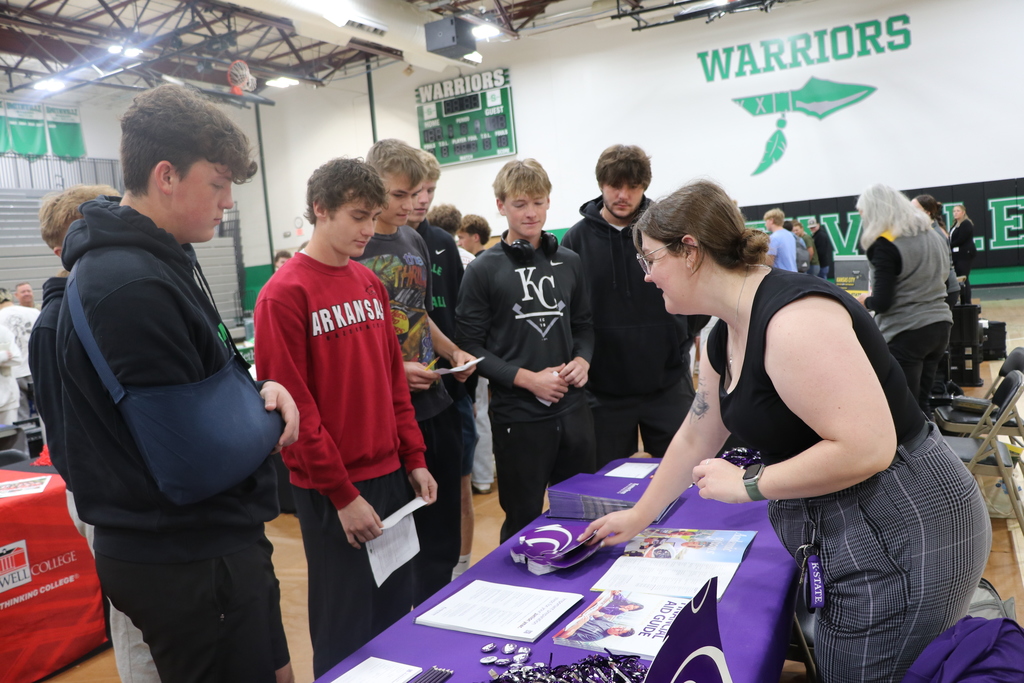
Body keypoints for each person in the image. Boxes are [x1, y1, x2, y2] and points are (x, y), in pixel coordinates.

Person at [583, 179, 990, 683]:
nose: (646, 276)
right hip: (852, 520)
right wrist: (642, 513)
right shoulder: (722, 330)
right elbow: (696, 433)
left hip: (904, 522)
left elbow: (868, 447)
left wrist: (750, 484)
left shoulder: (794, 321)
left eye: (650, 259)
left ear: (690, 251)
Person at [54, 84, 299, 683]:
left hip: (213, 540)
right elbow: (191, 458)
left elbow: (204, 391)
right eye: (217, 184)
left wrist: (256, 392)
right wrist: (271, 421)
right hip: (184, 556)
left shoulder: (161, 259)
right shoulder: (128, 284)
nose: (228, 202)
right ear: (166, 175)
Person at [255, 157, 437, 677]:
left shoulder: (368, 284)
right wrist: (342, 495)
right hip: (333, 491)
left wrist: (415, 458)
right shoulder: (284, 294)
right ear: (320, 209)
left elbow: (392, 384)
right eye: (358, 216)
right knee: (345, 627)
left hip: (390, 477)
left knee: (393, 617)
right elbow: (298, 415)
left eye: (374, 215)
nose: (368, 229)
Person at [30, 183, 161, 683]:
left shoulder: (104, 301)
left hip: (130, 492)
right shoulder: (54, 321)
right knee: (134, 622)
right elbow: (66, 438)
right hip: (105, 497)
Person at [358, 139, 475, 605]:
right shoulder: (358, 248)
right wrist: (394, 371)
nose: (410, 206)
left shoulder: (416, 239)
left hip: (433, 402)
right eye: (399, 195)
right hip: (387, 415)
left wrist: (452, 352)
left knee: (441, 535)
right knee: (399, 547)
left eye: (416, 194)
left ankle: (437, 611)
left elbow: (419, 312)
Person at [456, 158, 596, 542]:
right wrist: (526, 380)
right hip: (518, 416)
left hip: (574, 409)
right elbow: (469, 344)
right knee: (523, 519)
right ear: (500, 206)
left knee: (580, 510)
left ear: (549, 202)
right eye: (519, 204)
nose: (530, 212)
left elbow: (584, 324)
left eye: (538, 202)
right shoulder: (482, 270)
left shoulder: (570, 262)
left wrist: (583, 359)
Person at [561, 144, 699, 467]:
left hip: (667, 384)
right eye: (615, 186)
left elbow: (696, 297)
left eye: (632, 186)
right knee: (604, 489)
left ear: (644, 187)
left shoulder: (670, 233)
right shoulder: (574, 241)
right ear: (601, 185)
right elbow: (571, 314)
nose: (623, 194)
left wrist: (674, 341)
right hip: (603, 392)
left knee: (688, 479)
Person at [406, 150, 477, 580]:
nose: (420, 200)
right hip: (401, 403)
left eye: (428, 191)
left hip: (446, 392)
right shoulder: (367, 247)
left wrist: (455, 354)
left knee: (455, 489)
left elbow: (431, 313)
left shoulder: (437, 243)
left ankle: (459, 573)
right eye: (410, 192)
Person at [859, 186, 954, 416]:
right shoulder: (932, 233)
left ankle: (911, 453)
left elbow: (882, 302)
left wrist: (865, 301)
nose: (862, 218)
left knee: (904, 409)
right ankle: (931, 450)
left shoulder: (885, 243)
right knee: (922, 404)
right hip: (941, 326)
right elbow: (947, 280)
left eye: (863, 212)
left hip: (907, 330)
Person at [456, 214, 496, 495]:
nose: (459, 242)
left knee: (480, 411)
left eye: (462, 237)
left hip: (480, 350)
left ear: (475, 237)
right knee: (481, 411)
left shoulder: (482, 264)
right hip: (484, 350)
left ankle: (482, 476)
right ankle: (484, 474)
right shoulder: (484, 262)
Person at [0, 282, 39, 420]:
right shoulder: (34, 312)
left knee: (22, 419)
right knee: (45, 414)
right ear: (11, 297)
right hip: (36, 369)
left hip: (15, 372)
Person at [0, 290, 22, 426]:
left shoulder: (3, 331)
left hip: (8, 398)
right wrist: (2, 356)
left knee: (12, 438)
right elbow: (8, 356)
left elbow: (16, 358)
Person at [949, 203, 977, 305]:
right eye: (954, 211)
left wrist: (948, 245)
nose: (955, 213)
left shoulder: (966, 224)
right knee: (959, 278)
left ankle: (966, 302)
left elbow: (961, 239)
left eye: (958, 211)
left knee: (963, 278)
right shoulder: (955, 225)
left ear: (963, 212)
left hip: (965, 255)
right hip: (956, 255)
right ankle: (961, 300)